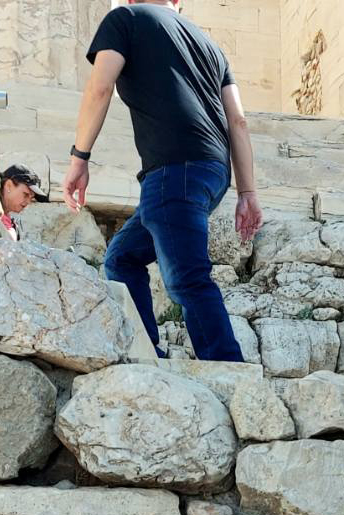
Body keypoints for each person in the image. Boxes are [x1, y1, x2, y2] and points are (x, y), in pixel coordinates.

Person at [65, 0, 263, 361]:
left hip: (175, 171)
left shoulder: (124, 19)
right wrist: (247, 191)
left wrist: (80, 157)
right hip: (213, 174)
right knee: (122, 258)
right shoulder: (211, 46)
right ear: (178, 3)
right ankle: (145, 353)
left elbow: (99, 87)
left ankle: (229, 370)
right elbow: (239, 121)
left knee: (186, 278)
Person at [0, 163, 49, 239]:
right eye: (26, 194)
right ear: (8, 186)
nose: (28, 202)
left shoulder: (10, 221)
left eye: (31, 198)